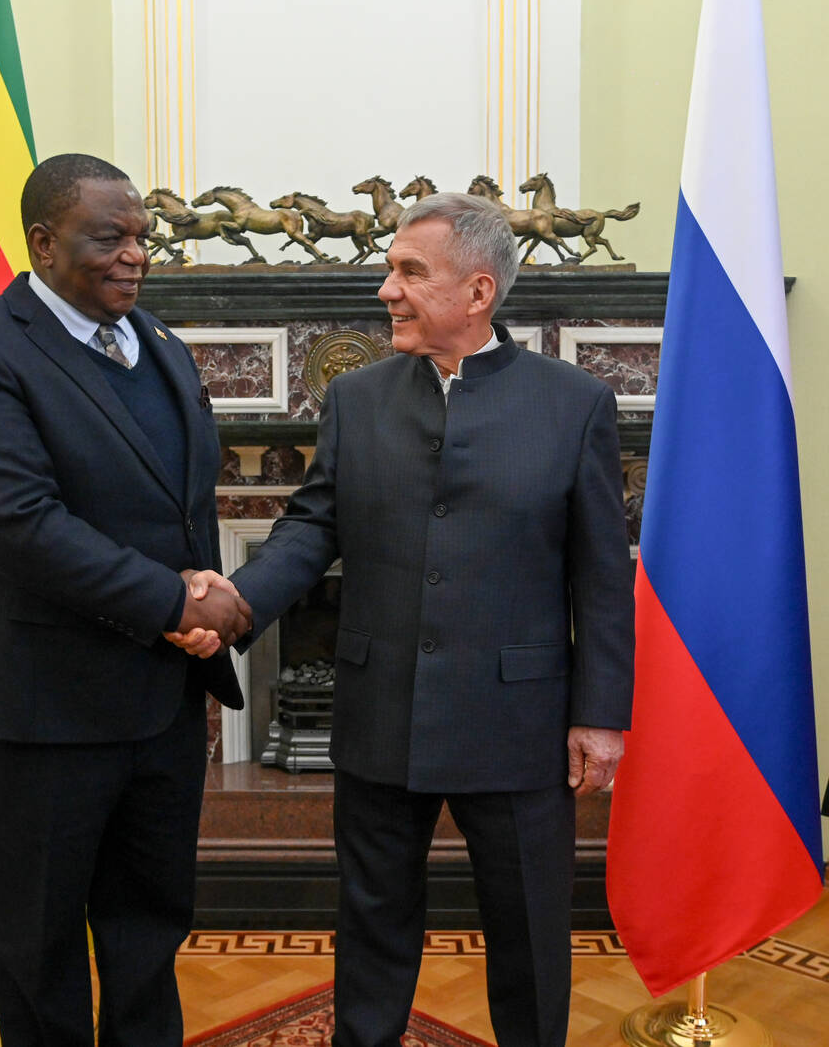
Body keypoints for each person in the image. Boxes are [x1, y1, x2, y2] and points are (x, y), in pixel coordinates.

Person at [177, 192, 634, 1047]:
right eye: (390, 269)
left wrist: (601, 715)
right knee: (373, 925)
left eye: (409, 272)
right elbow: (309, 529)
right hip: (382, 708)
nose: (385, 289)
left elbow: (603, 575)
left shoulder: (574, 403)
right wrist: (237, 604)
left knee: (531, 935)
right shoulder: (356, 398)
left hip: (519, 720)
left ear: (478, 291)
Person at [0, 152, 250, 1047]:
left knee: (148, 935)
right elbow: (20, 525)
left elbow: (181, 508)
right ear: (43, 241)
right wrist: (176, 605)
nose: (134, 255)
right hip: (39, 711)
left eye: (142, 237)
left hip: (159, 706)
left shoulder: (163, 344)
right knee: (42, 952)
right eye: (109, 238)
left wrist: (202, 594)